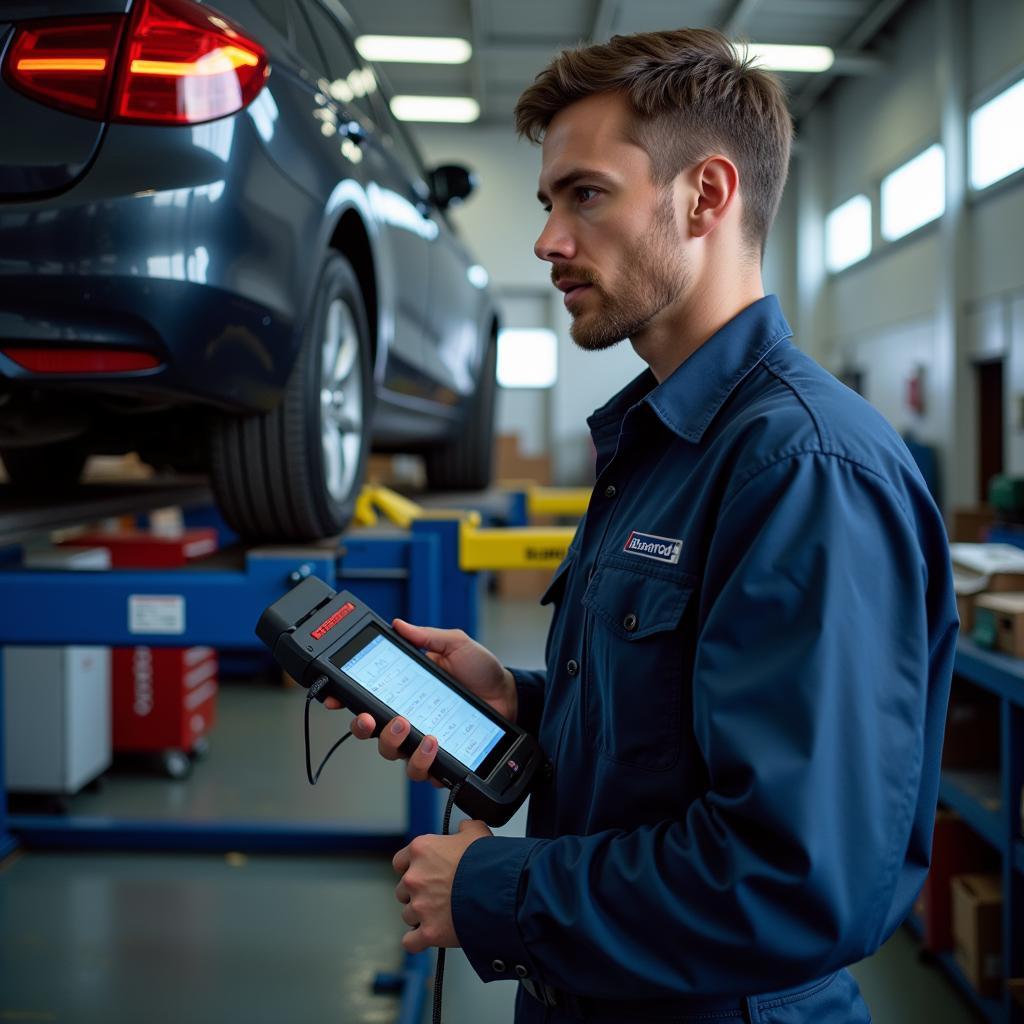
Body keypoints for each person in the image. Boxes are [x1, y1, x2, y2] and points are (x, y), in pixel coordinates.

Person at [328, 27, 958, 1024]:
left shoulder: (802, 470)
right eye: (547, 202)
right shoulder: (659, 444)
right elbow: (681, 731)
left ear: (705, 195)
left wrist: (493, 890)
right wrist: (524, 703)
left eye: (585, 195)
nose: (545, 241)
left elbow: (792, 878)